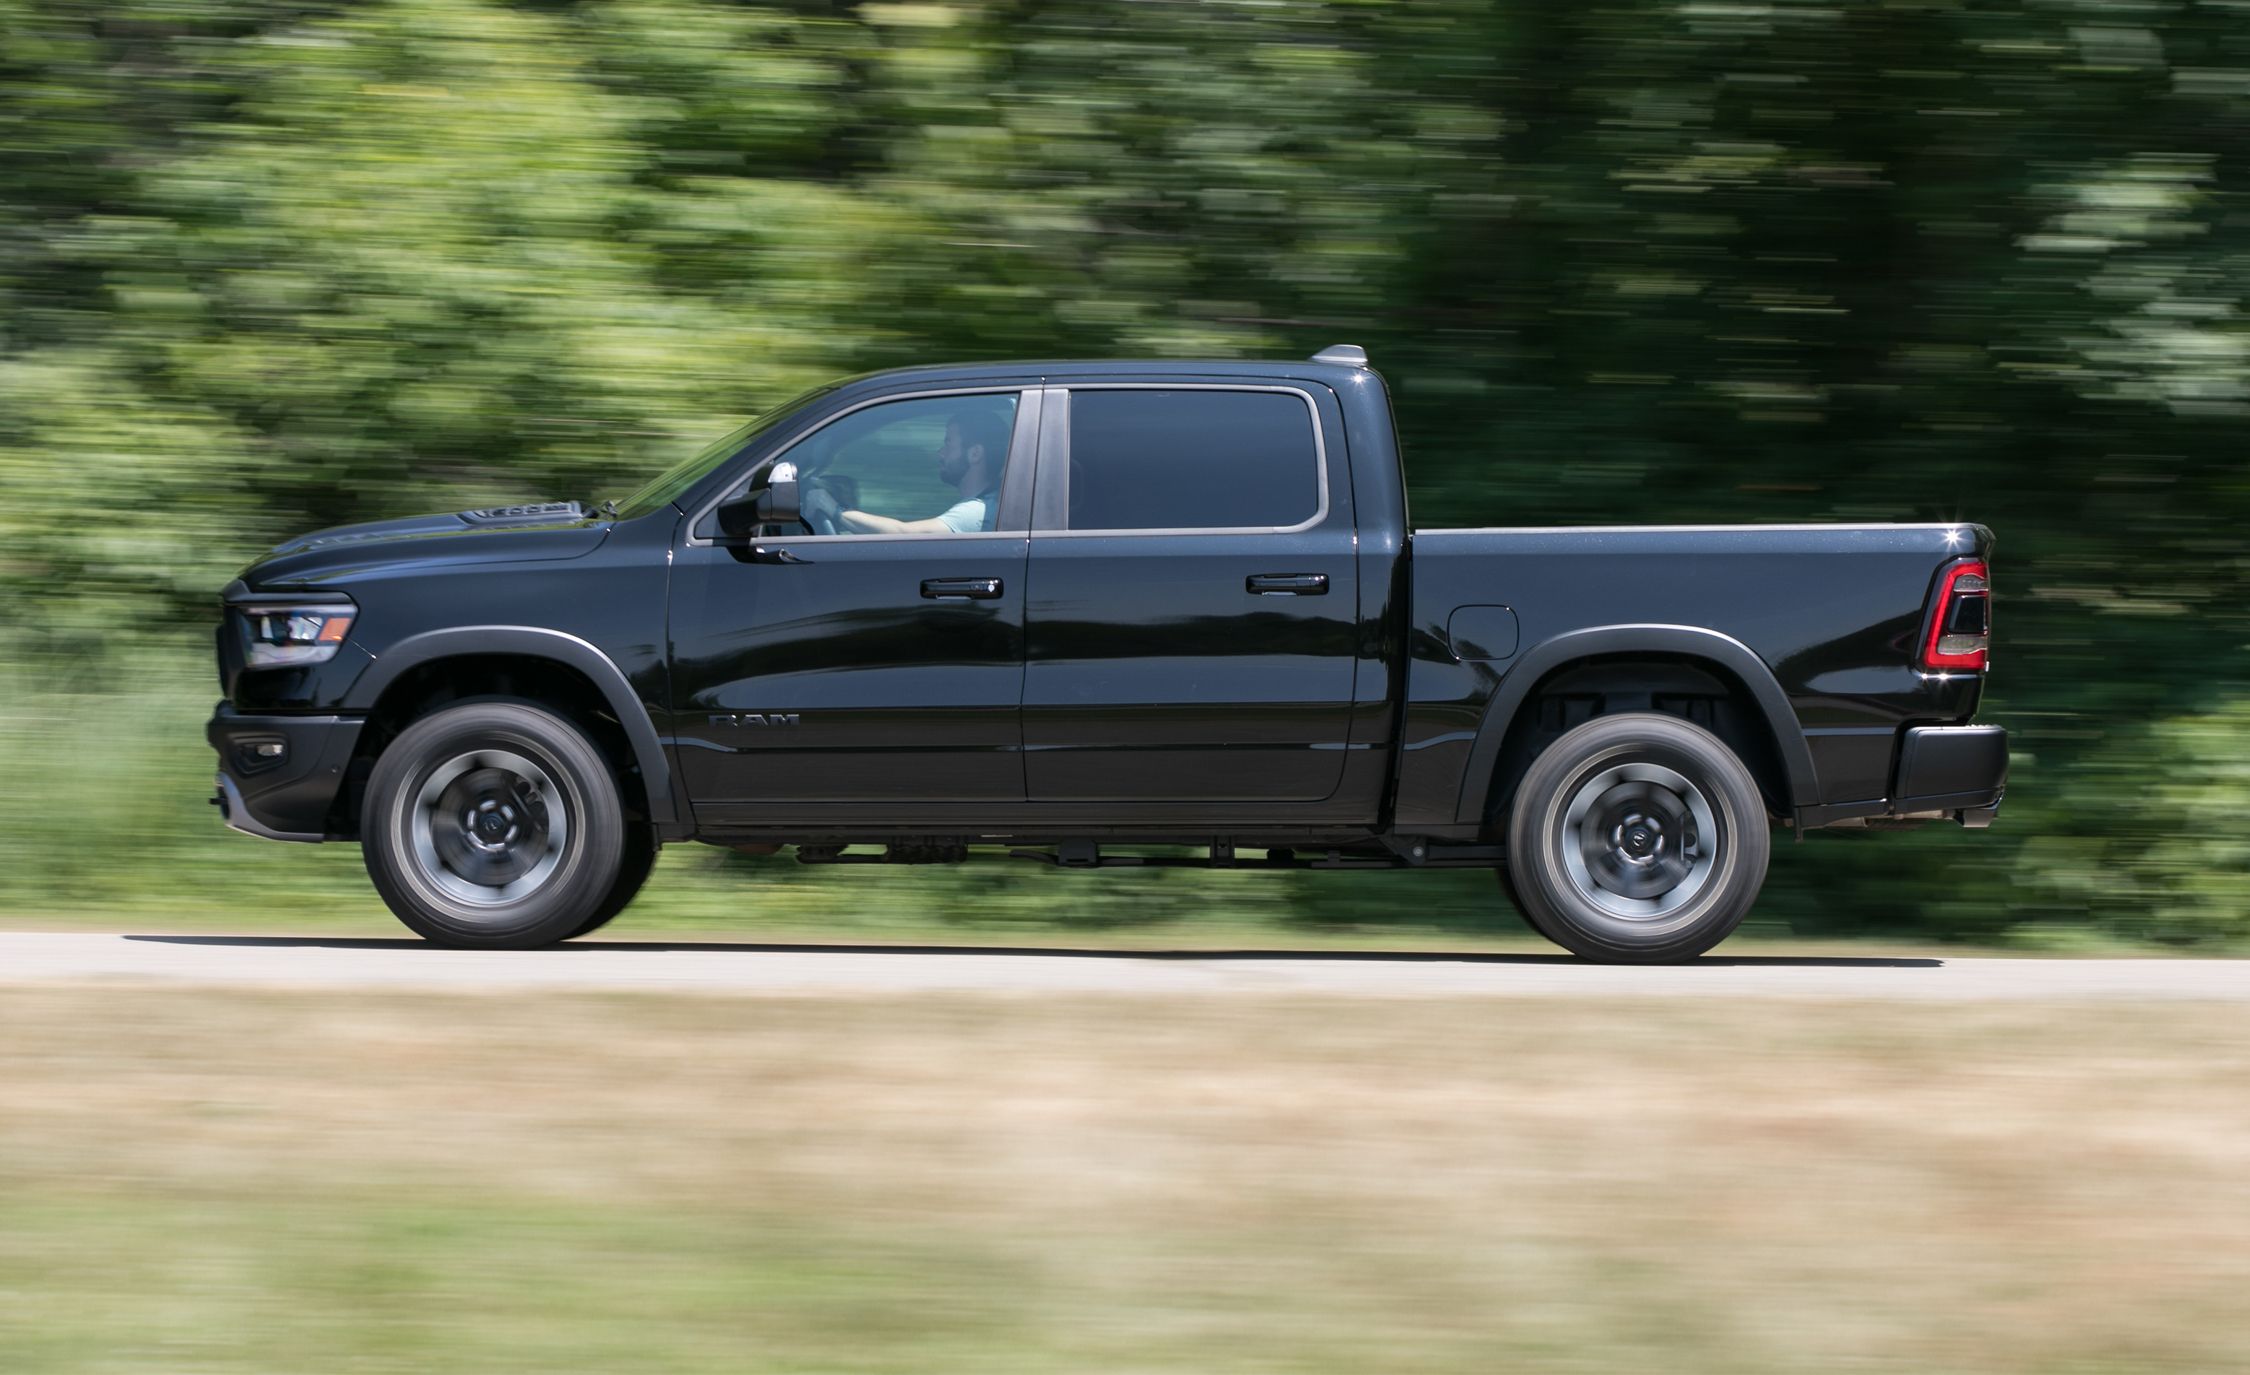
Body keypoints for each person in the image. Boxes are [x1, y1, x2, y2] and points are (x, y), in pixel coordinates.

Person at [804, 406, 1010, 535]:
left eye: (948, 443)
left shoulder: (976, 513)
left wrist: (835, 510)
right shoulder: (989, 506)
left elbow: (904, 535)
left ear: (975, 454)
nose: (940, 452)